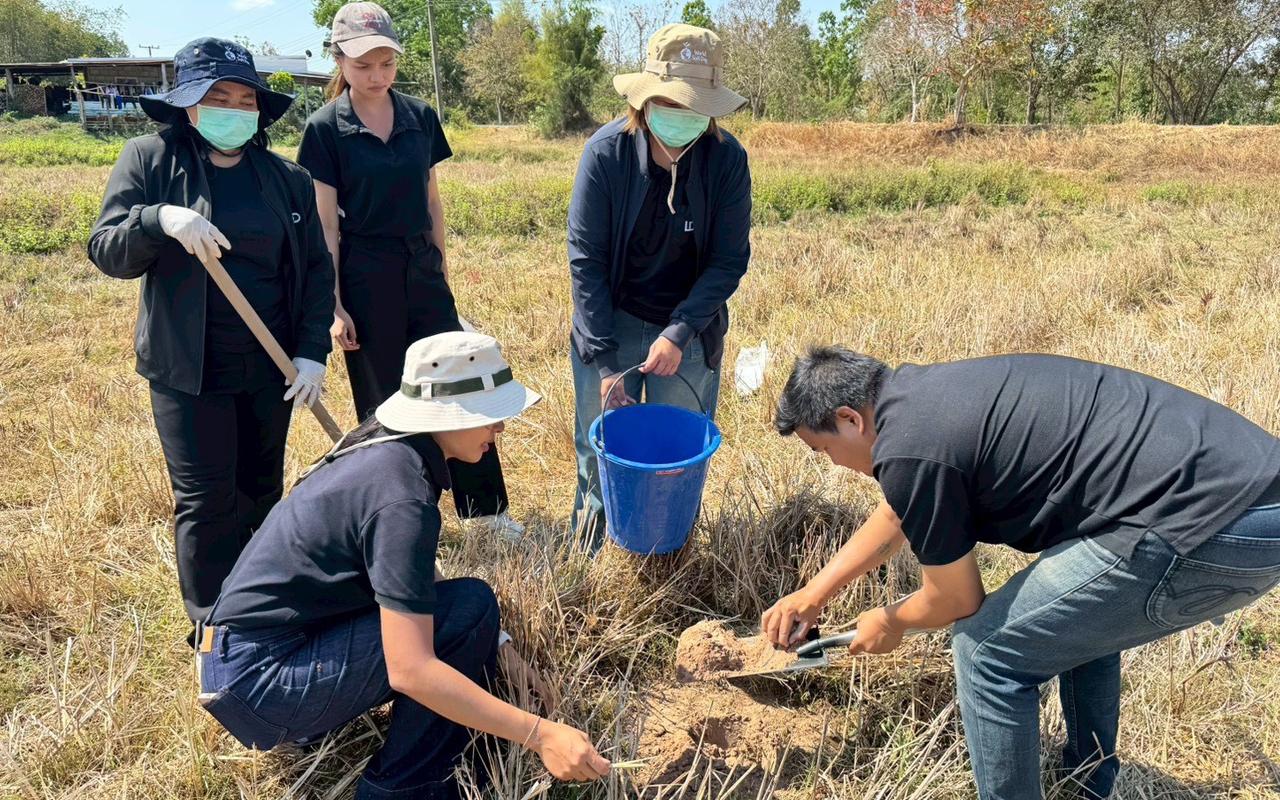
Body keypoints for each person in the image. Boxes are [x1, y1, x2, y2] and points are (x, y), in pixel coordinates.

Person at [762, 348, 1280, 800]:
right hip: (1252, 488)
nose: (831, 463)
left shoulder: (909, 448)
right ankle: (1088, 782)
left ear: (850, 418)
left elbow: (957, 599)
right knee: (1075, 621)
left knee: (985, 650)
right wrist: (815, 592)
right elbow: (901, 511)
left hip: (1210, 523)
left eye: (823, 449)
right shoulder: (923, 400)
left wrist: (892, 621)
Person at [198, 332, 611, 799]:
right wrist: (542, 735)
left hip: (239, 661)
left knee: (469, 614)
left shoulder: (386, 450)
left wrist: (504, 653)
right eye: (492, 415)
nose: (500, 429)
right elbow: (410, 670)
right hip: (262, 682)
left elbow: (408, 578)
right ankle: (404, 786)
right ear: (450, 414)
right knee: (467, 609)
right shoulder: (401, 497)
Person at [88, 38, 334, 631]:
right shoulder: (150, 161)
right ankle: (212, 626)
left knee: (261, 493)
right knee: (205, 503)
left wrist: (310, 353)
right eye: (216, 96)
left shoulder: (285, 179)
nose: (233, 109)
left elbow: (316, 270)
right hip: (188, 370)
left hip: (272, 367)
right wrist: (159, 219)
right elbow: (107, 250)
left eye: (244, 98)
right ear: (189, 106)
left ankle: (262, 612)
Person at [296, 2, 521, 541]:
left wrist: (441, 270)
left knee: (459, 383)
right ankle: (402, 516)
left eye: (386, 64)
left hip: (421, 265)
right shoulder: (325, 129)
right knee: (386, 398)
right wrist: (334, 304)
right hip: (364, 271)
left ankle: (485, 511)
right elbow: (325, 224)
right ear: (339, 62)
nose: (376, 76)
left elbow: (432, 199)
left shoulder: (420, 116)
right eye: (363, 65)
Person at [568, 23, 752, 546]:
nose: (680, 116)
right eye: (670, 103)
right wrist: (605, 363)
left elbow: (728, 259)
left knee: (675, 453)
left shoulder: (726, 161)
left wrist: (680, 331)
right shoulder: (606, 155)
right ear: (644, 101)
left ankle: (670, 549)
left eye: (694, 106)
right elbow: (586, 262)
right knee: (598, 444)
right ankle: (592, 548)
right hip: (612, 318)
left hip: (688, 327)